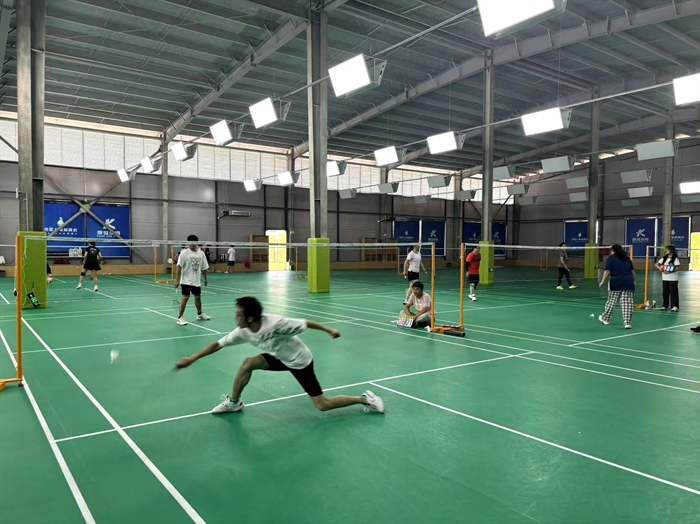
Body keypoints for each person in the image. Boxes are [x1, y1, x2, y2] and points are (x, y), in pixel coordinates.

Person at [176, 297, 385, 415]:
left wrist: (329, 330)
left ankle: (365, 399)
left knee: (323, 405)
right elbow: (217, 345)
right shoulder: (243, 331)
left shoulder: (276, 323)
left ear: (250, 318)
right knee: (248, 363)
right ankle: (234, 402)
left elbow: (305, 323)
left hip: (299, 361)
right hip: (279, 357)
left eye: (239, 314)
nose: (235, 317)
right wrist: (193, 358)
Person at [175, 235, 211, 326]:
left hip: (196, 281)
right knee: (185, 298)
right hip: (186, 281)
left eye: (194, 243)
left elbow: (204, 268)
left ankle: (200, 314)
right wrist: (177, 281)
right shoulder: (184, 253)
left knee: (198, 298)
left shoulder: (201, 253)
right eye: (190, 243)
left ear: (197, 243)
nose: (192, 244)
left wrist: (205, 279)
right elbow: (179, 267)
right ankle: (180, 317)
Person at [598, 244, 635, 329]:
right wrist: (633, 280)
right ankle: (627, 323)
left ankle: (606, 319)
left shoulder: (611, 259)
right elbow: (632, 271)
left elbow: (607, 271)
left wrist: (602, 281)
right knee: (627, 304)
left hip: (615, 282)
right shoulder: (627, 259)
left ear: (613, 251)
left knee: (611, 302)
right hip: (628, 283)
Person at [655, 244, 681, 312]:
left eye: (667, 249)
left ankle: (675, 306)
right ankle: (665, 305)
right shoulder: (664, 258)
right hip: (665, 278)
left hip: (673, 278)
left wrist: (670, 271)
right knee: (665, 292)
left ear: (672, 250)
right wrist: (660, 269)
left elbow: (677, 267)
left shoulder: (675, 259)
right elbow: (656, 264)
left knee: (673, 292)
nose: (665, 250)